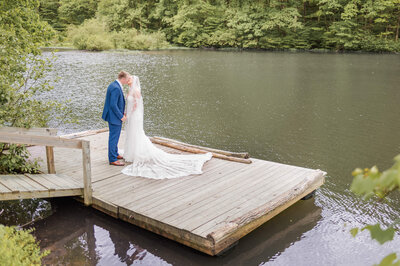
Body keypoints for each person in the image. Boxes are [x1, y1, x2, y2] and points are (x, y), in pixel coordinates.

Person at [122, 75, 212, 179]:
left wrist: (129, 114)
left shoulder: (136, 90)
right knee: (132, 133)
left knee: (136, 133)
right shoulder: (130, 89)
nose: (128, 81)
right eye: (127, 79)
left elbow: (136, 104)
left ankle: (138, 153)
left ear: (133, 81)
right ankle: (132, 152)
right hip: (131, 115)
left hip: (134, 115)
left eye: (130, 79)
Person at [102, 71, 129, 166]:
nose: (127, 81)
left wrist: (122, 112)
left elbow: (117, 103)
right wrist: (121, 116)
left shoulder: (114, 85)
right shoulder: (116, 88)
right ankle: (112, 159)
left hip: (114, 116)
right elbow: (113, 105)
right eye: (127, 79)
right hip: (114, 117)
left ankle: (115, 153)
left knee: (115, 136)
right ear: (123, 78)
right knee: (114, 137)